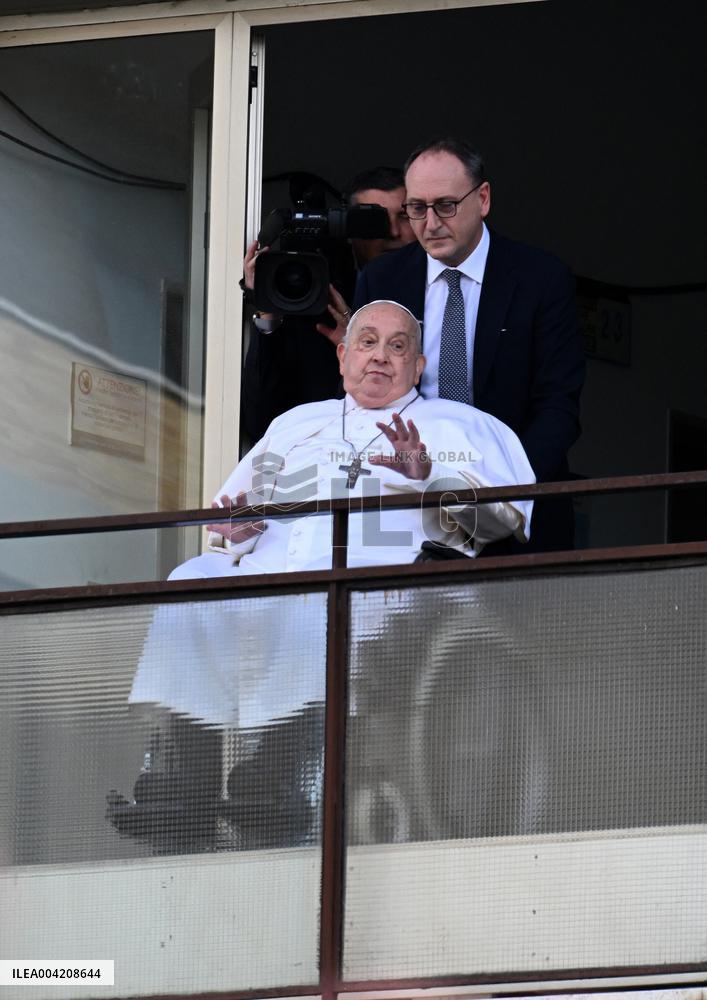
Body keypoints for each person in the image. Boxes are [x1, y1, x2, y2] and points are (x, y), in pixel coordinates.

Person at [109, 301, 534, 851]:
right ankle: (182, 780)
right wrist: (237, 531)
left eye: (398, 346)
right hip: (274, 580)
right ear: (342, 356)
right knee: (192, 579)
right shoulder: (293, 425)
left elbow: (504, 523)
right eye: (367, 342)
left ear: (420, 363)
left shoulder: (459, 426)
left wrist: (428, 474)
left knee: (316, 598)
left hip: (387, 592)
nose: (380, 356)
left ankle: (277, 771)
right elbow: (237, 518)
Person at [353, 137, 585, 552]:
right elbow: (362, 397)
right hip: (406, 511)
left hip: (516, 507)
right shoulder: (381, 279)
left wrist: (499, 492)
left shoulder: (541, 279)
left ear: (483, 198)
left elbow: (558, 407)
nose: (430, 223)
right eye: (417, 208)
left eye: (446, 205)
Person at [241, 167, 416, 440]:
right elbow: (260, 420)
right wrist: (267, 304)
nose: (393, 231)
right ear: (349, 229)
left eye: (404, 216)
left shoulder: (439, 293)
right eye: (375, 220)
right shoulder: (319, 301)